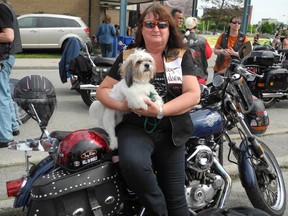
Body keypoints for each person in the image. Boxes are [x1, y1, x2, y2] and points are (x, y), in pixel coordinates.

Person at [96, 3, 200, 215]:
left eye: (162, 24)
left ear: (169, 29)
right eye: (150, 24)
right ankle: (157, 209)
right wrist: (124, 105)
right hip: (136, 129)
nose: (156, 29)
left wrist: (160, 111)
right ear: (141, 29)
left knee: (178, 204)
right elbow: (103, 90)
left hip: (172, 131)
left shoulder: (179, 56)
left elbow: (192, 94)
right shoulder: (129, 56)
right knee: (133, 165)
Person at [0, 0, 22, 148]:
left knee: (1, 97)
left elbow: (8, 36)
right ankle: (13, 127)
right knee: (5, 93)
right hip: (6, 57)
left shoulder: (1, 8)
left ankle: (4, 137)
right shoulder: (5, 6)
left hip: (3, 57)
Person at [183, 16, 213, 84]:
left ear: (185, 27)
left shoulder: (179, 40)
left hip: (183, 76)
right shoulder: (202, 40)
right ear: (195, 28)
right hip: (199, 75)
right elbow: (208, 55)